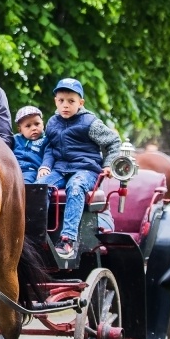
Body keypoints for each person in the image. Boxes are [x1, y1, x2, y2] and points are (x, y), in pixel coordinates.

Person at [38, 78, 120, 258]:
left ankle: (68, 239)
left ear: (80, 103)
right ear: (55, 102)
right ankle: (35, 235)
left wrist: (108, 165)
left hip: (85, 169)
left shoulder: (90, 122)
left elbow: (113, 142)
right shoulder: (52, 122)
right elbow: (50, 147)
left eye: (71, 101)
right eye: (61, 101)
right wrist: (45, 166)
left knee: (75, 187)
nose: (65, 105)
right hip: (60, 169)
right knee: (39, 187)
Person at [12, 105, 46, 183]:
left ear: (43, 124)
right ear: (20, 130)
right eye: (28, 126)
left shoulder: (46, 140)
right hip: (15, 170)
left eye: (37, 124)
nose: (34, 128)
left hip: (33, 171)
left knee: (25, 183)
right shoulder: (15, 139)